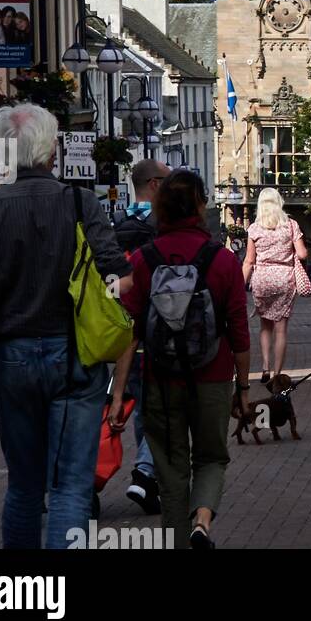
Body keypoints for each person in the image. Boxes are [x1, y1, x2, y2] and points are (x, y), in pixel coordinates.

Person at [0, 104, 128, 550]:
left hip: (12, 358)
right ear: (51, 150)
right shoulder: (80, 202)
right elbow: (117, 276)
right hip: (73, 355)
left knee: (23, 486)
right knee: (71, 487)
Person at [111, 168, 250, 549]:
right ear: (201, 206)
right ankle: (201, 522)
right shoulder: (221, 260)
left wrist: (120, 392)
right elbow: (239, 330)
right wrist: (243, 387)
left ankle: (176, 541)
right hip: (213, 376)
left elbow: (129, 330)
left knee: (171, 471)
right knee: (210, 458)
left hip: (161, 380)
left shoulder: (142, 260)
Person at [114, 159, 167, 515]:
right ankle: (146, 474)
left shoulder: (115, 224)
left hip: (121, 333)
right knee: (159, 410)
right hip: (156, 330)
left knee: (137, 406)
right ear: (154, 183)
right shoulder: (160, 227)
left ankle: (146, 481)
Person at [242, 186, 307, 383]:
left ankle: (264, 367)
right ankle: (277, 374)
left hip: (262, 280)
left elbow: (249, 261)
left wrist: (238, 286)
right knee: (281, 330)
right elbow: (302, 254)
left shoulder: (254, 229)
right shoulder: (291, 226)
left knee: (264, 327)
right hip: (284, 279)